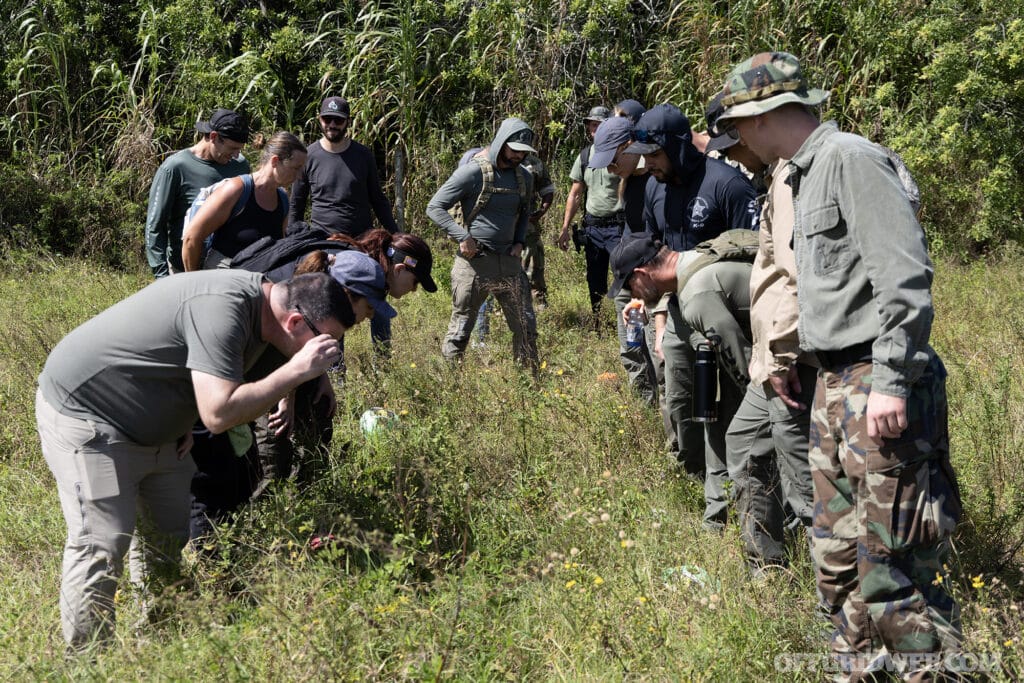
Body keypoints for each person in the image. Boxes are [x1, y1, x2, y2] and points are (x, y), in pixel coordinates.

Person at [716, 51, 962, 677]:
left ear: (766, 113)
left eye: (739, 122)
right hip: (833, 386)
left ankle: (934, 671)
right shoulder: (798, 174)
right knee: (838, 562)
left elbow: (903, 279)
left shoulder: (851, 160)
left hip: (876, 387)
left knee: (893, 567)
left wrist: (892, 381)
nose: (736, 137)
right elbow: (818, 286)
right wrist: (797, 358)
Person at [36, 270, 355, 649]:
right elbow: (219, 415)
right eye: (323, 342)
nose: (326, 356)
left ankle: (156, 639)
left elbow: (195, 369)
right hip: (91, 417)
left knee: (166, 534)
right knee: (102, 544)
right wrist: (297, 370)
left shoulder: (267, 316)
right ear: (297, 322)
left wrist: (181, 415)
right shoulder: (225, 309)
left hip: (162, 430)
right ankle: (86, 664)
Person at [700, 91, 819, 573]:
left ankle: (833, 600)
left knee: (808, 482)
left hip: (795, 357)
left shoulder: (803, 175)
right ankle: (766, 564)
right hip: (771, 359)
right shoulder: (775, 177)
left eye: (736, 142)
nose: (734, 155)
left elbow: (796, 276)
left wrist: (782, 355)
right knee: (746, 440)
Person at [623, 104, 758, 483]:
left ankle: (736, 484)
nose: (648, 165)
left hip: (725, 313)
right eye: (643, 157)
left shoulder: (728, 185)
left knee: (726, 402)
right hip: (679, 311)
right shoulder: (653, 188)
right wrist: (661, 322)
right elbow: (657, 258)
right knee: (680, 401)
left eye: (654, 155)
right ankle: (694, 479)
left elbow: (755, 257)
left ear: (679, 147)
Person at [610, 230, 756, 529]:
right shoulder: (691, 265)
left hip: (791, 364)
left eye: (630, 286)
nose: (633, 295)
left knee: (743, 434)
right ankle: (718, 519)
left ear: (642, 273)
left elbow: (745, 370)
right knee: (716, 420)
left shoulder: (697, 295)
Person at [252, 250, 397, 496]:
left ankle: (306, 497)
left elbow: (310, 351)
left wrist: (323, 377)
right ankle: (262, 513)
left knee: (318, 417)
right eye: (369, 306)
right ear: (346, 294)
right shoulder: (296, 298)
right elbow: (286, 357)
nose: (371, 315)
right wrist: (287, 399)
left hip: (290, 374)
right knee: (274, 447)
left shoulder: (327, 312)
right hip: (264, 380)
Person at [426, 117, 539, 368]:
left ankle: (530, 384)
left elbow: (523, 213)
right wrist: (462, 237)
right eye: (514, 150)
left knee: (526, 326)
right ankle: (449, 383)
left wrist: (520, 242)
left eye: (523, 152)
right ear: (501, 143)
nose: (518, 157)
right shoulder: (473, 172)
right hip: (475, 264)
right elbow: (434, 207)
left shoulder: (525, 178)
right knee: (461, 329)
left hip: (509, 263)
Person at [586, 115, 657, 406]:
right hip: (628, 286)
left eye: (613, 160)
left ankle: (661, 407)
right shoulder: (626, 184)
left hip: (651, 284)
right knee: (631, 344)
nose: (610, 168)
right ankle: (644, 406)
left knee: (654, 348)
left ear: (630, 146)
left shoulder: (657, 181)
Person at [145, 108, 250, 278]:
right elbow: (155, 227)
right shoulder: (175, 168)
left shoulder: (240, 166)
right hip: (182, 271)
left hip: (224, 271)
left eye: (240, 149)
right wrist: (162, 277)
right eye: (232, 148)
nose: (236, 155)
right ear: (214, 137)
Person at [181, 131, 307, 270]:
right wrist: (193, 281)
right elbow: (191, 238)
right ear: (275, 161)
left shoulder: (282, 199)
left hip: (258, 284)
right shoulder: (236, 190)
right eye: (296, 168)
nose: (300, 176)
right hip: (222, 282)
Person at [288, 96, 398, 237]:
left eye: (338, 120)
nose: (332, 125)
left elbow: (378, 200)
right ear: (319, 120)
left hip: (361, 241)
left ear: (348, 122)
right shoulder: (308, 156)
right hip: (322, 241)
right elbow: (296, 203)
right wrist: (292, 239)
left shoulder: (363, 155)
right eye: (327, 119)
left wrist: (396, 234)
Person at [556, 105, 624, 325]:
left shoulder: (622, 152)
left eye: (597, 125)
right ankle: (599, 321)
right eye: (590, 125)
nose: (592, 129)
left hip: (619, 227)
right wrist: (565, 228)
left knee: (625, 276)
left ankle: (627, 320)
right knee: (595, 280)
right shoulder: (585, 156)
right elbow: (575, 194)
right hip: (593, 228)